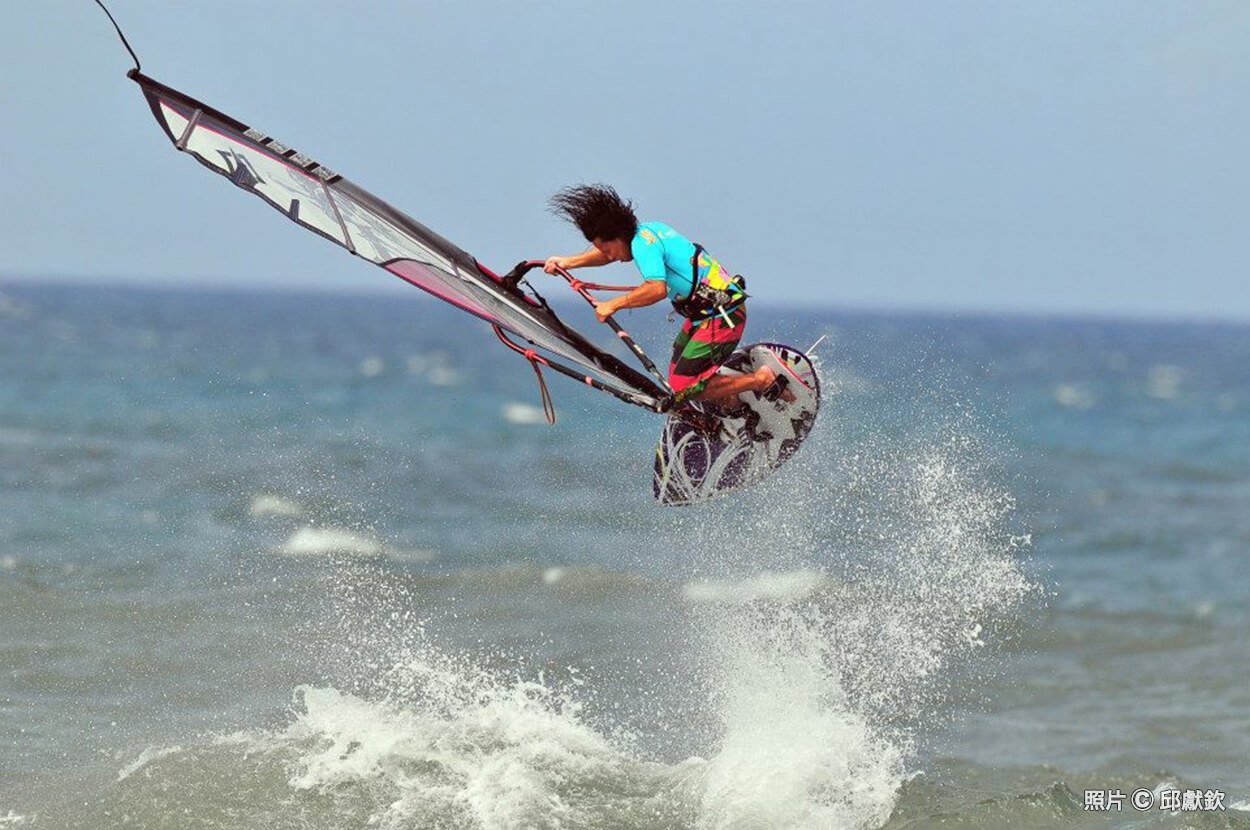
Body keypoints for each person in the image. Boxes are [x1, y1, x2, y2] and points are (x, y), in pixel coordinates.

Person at [544, 184, 784, 410]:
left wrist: (613, 305)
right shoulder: (648, 231)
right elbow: (607, 254)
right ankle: (734, 406)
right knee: (678, 378)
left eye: (607, 249)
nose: (609, 256)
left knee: (684, 386)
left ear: (617, 236)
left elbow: (656, 289)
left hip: (723, 317)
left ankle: (761, 380)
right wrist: (568, 262)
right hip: (706, 315)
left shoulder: (643, 246)